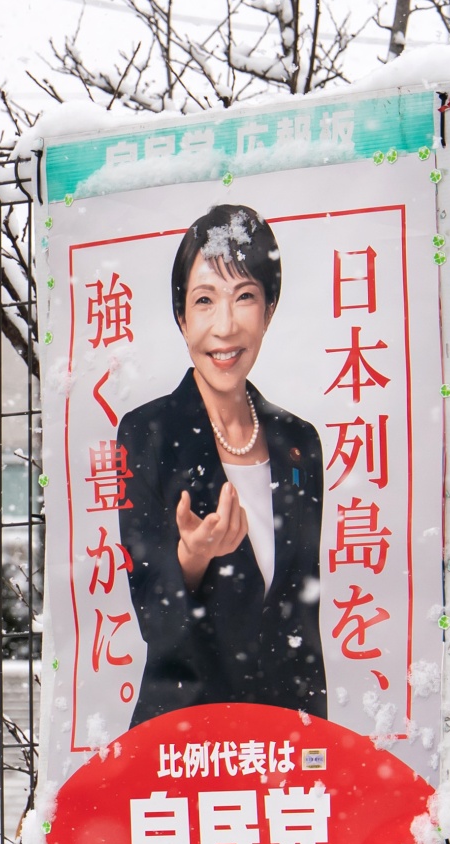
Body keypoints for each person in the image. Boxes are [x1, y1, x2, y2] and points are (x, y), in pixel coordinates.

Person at [117, 203, 326, 726]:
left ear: (269, 311)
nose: (225, 326)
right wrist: (192, 557)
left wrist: (315, 738)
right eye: (205, 300)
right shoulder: (148, 434)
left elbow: (302, 617)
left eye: (245, 297)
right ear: (182, 318)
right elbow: (154, 617)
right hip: (185, 734)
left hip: (283, 733)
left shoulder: (298, 442)